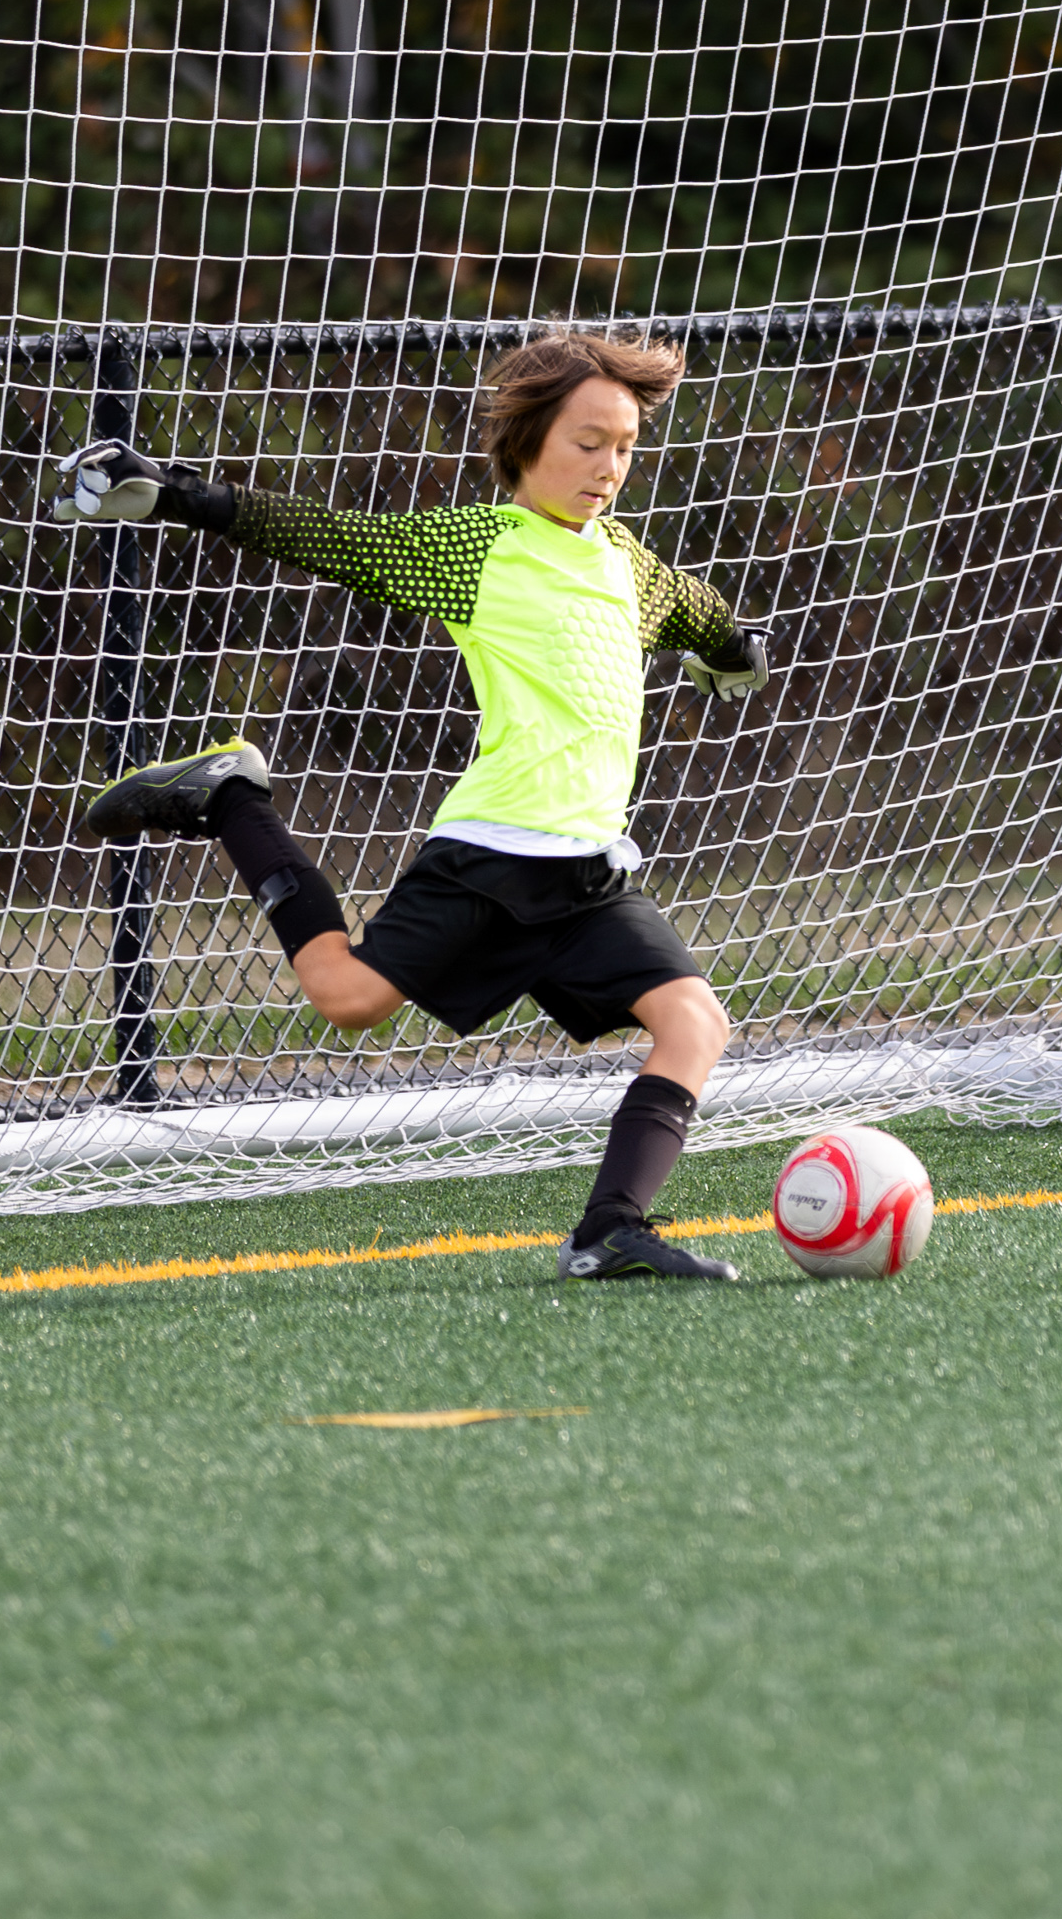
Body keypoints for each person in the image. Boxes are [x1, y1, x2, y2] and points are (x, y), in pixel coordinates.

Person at [52, 329, 768, 1282]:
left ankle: (609, 1232)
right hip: (492, 857)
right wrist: (187, 495)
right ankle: (230, 799)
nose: (609, 467)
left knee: (696, 1023)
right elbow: (337, 540)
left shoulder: (628, 565)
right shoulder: (477, 547)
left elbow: (697, 610)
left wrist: (732, 648)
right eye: (586, 442)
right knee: (347, 999)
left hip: (593, 873)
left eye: (626, 446)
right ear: (527, 443)